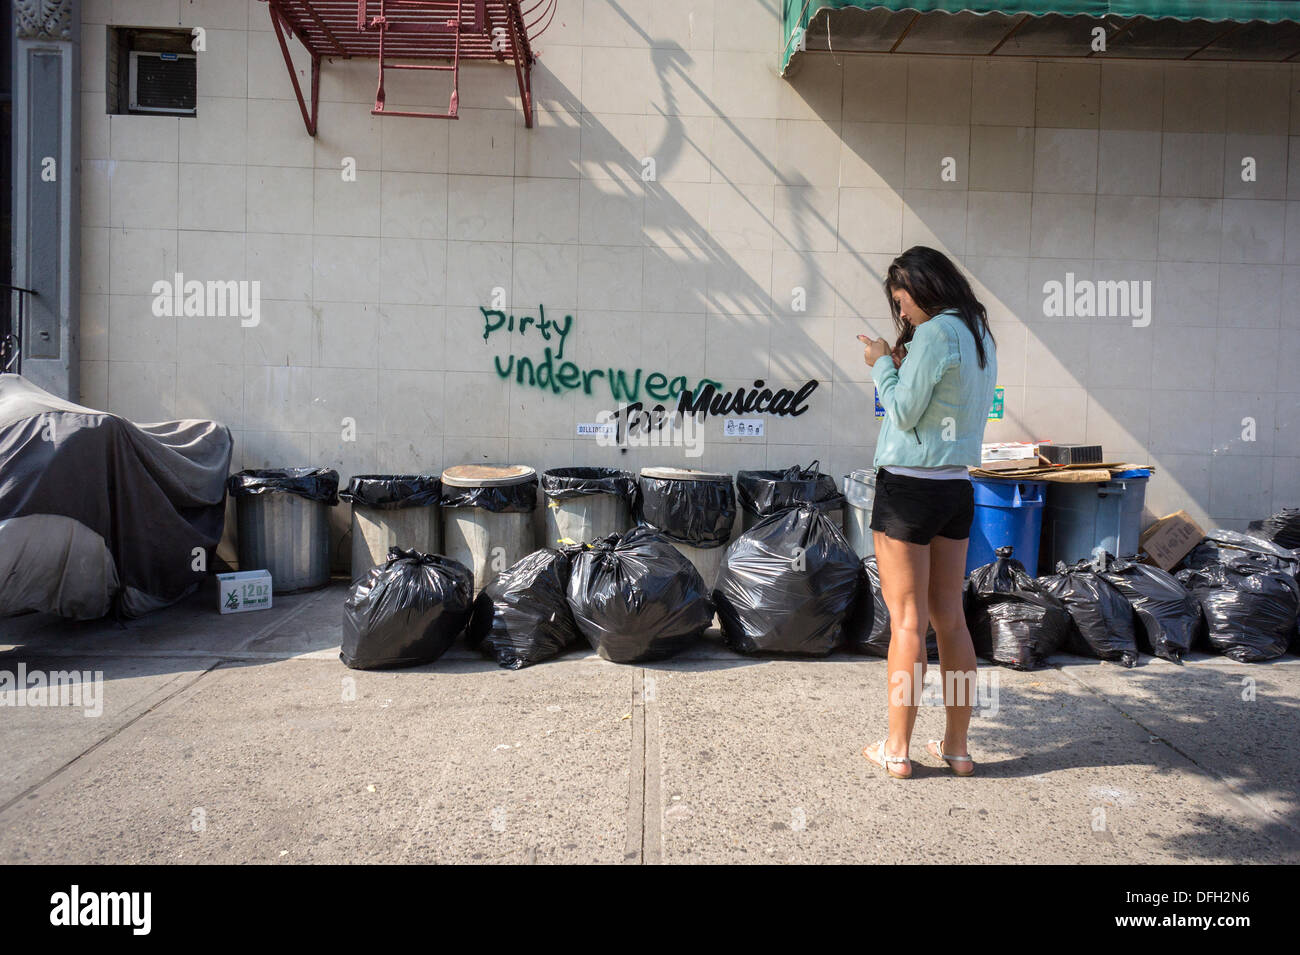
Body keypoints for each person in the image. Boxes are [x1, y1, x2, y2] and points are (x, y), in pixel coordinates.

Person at [856, 246, 998, 779]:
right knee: (952, 620)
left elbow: (904, 410)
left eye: (903, 301)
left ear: (923, 288)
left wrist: (882, 366)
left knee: (907, 623)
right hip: (955, 488)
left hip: (909, 488)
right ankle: (957, 748)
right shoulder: (980, 333)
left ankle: (896, 750)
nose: (903, 314)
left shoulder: (938, 332)